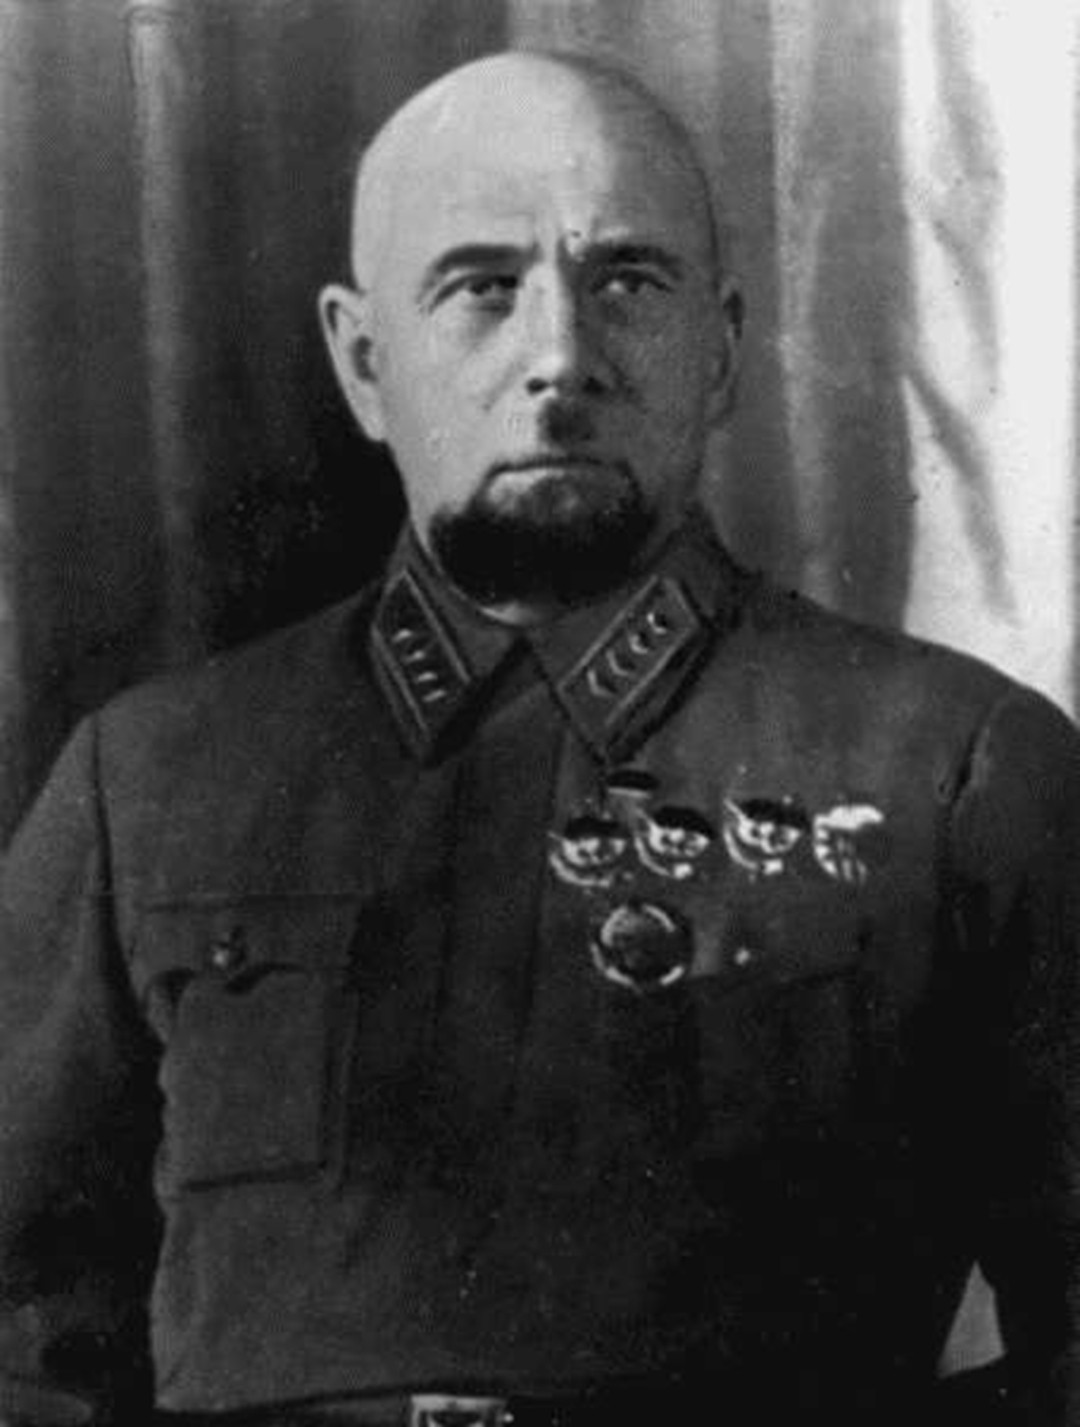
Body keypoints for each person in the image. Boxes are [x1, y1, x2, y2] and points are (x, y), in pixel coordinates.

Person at [0, 47, 1078, 1427]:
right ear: (365, 361)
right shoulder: (145, 784)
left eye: (628, 281)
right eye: (481, 287)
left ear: (722, 351)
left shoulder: (956, 773)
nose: (560, 359)